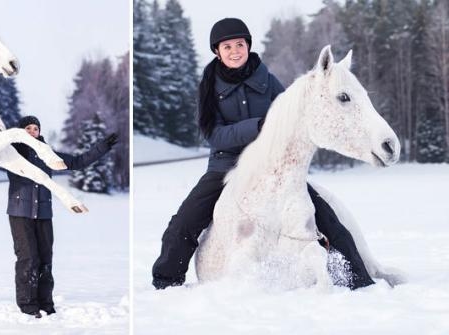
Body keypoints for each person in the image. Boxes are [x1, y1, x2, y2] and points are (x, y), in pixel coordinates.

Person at [152, 18, 374, 291]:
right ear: (217, 52)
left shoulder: (268, 81)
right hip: (226, 165)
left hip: (272, 166)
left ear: (248, 46)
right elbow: (214, 134)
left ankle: (360, 281)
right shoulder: (208, 86)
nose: (235, 51)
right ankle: (166, 282)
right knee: (184, 221)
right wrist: (258, 127)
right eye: (228, 46)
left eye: (240, 44)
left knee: (327, 218)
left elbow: (292, 118)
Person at [7, 115, 118, 318]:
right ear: (20, 131)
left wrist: (102, 147)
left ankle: (45, 303)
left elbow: (77, 162)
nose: (32, 132)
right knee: (28, 258)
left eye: (35, 128)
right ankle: (27, 304)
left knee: (45, 259)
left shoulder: (47, 154)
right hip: (19, 212)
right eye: (28, 128)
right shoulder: (11, 153)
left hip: (43, 212)